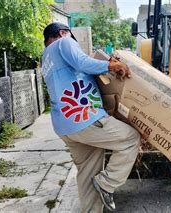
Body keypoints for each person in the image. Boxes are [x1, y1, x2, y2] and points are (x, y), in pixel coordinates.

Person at [41, 22, 141, 212]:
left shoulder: (45, 58)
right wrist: (110, 65)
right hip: (84, 117)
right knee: (130, 139)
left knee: (88, 173)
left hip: (64, 126)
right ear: (63, 33)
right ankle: (107, 183)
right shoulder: (63, 42)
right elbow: (82, 63)